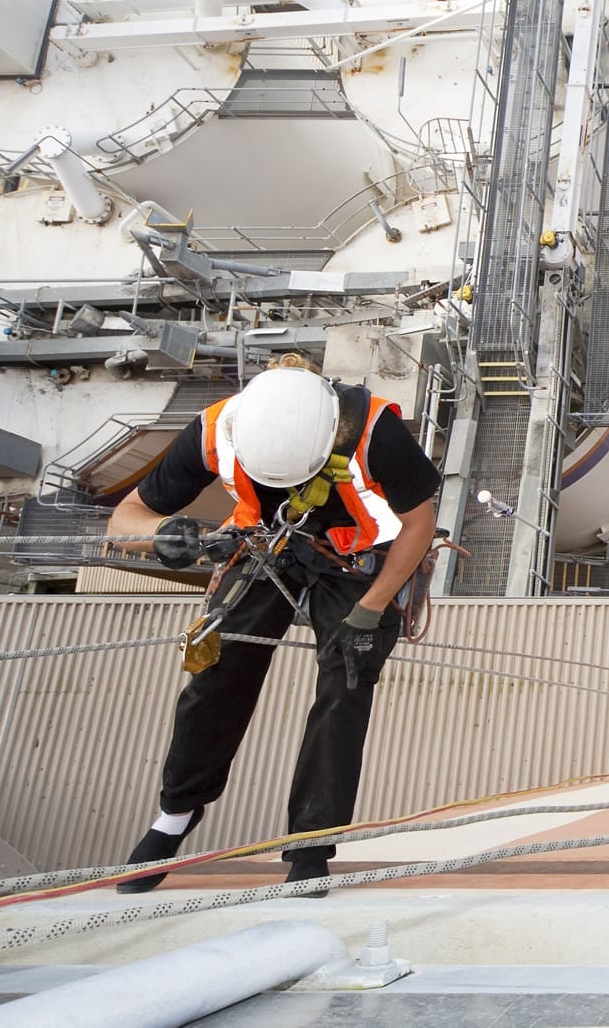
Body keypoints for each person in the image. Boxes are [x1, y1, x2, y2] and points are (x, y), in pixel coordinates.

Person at [108, 360, 442, 895]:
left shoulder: (375, 428)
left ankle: (311, 843)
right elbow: (125, 518)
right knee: (218, 671)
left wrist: (370, 610)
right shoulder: (217, 430)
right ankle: (176, 814)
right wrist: (165, 534)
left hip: (359, 555)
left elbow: (419, 523)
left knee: (345, 682)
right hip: (263, 543)